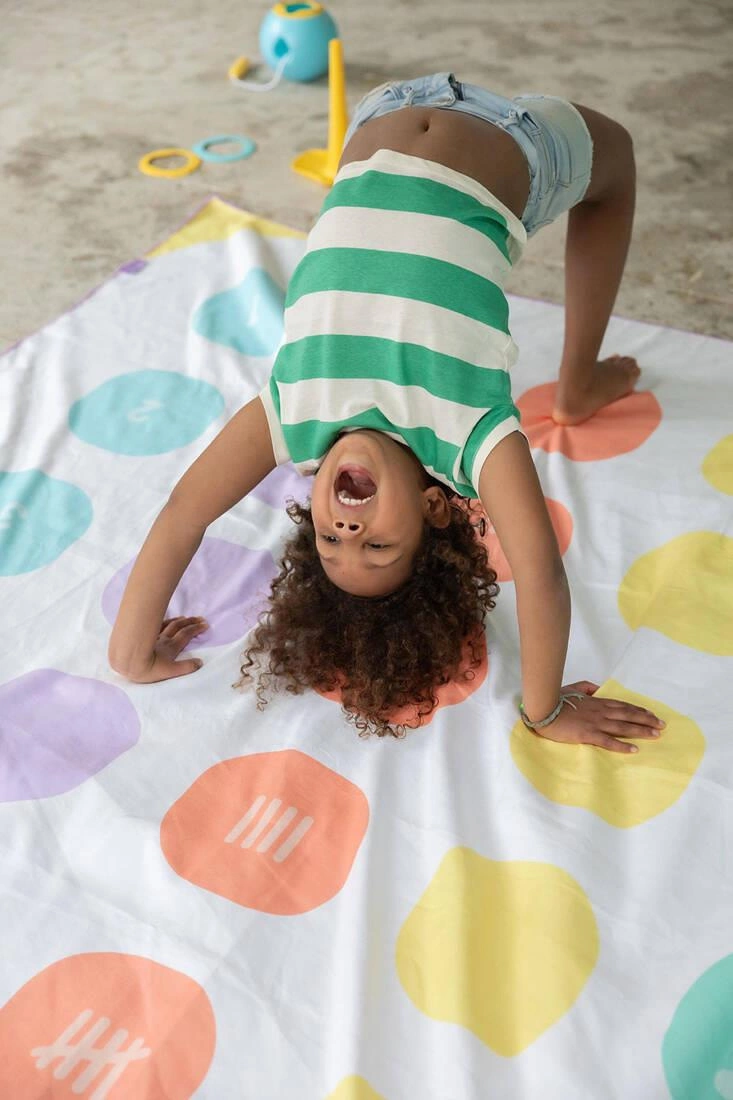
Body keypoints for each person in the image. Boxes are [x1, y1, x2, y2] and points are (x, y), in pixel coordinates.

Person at [108, 72, 666, 750]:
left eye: (329, 540)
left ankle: (577, 384)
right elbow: (540, 573)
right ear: (434, 510)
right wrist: (545, 712)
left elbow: (183, 513)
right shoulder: (471, 440)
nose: (347, 527)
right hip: (515, 140)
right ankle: (576, 384)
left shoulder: (294, 416)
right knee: (616, 159)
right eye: (376, 545)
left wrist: (131, 654)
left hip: (382, 115)